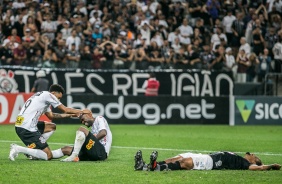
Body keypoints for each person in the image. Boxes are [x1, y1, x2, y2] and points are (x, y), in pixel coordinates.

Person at [8, 84, 89, 161]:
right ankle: (18, 148)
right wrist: (82, 111)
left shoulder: (42, 96)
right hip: (27, 127)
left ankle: (34, 150)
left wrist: (71, 115)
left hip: (22, 124)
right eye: (58, 97)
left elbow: (51, 116)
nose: (58, 100)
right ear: (53, 93)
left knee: (51, 126)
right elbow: (65, 109)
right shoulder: (48, 95)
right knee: (48, 155)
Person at [134, 150, 281, 171]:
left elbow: (258, 168)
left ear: (254, 161)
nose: (251, 154)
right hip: (207, 155)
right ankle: (148, 166)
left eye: (254, 157)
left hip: (211, 162)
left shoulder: (244, 164)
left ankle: (155, 168)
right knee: (177, 157)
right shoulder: (239, 157)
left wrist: (271, 166)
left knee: (185, 163)